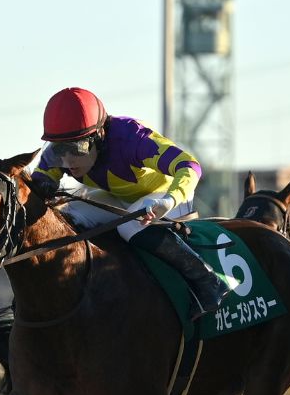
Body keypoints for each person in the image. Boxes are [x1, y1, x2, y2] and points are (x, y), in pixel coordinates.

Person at [28, 87, 229, 320]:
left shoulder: (132, 138)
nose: (67, 161)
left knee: (130, 225)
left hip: (166, 195)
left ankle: (208, 280)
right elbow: (40, 182)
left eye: (76, 150)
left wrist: (169, 200)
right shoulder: (64, 149)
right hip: (122, 199)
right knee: (66, 217)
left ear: (99, 136)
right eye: (59, 150)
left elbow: (190, 166)